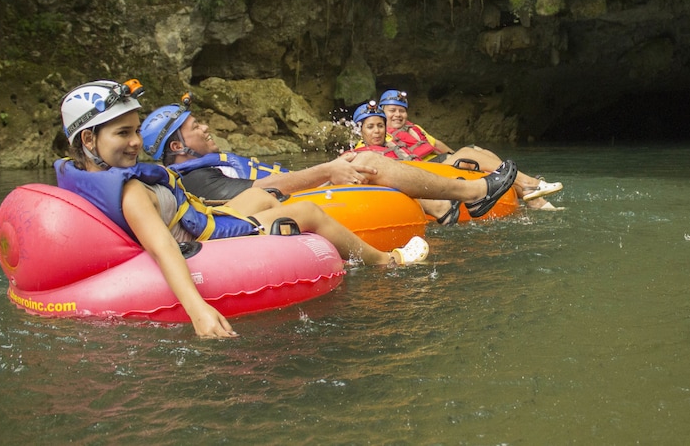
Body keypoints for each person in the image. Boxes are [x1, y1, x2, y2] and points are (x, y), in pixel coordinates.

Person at [56, 80, 430, 339]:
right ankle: (386, 261)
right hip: (207, 236)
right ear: (88, 138)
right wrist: (199, 311)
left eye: (136, 131)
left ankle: (292, 233)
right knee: (309, 213)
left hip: (199, 216)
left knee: (262, 198)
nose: (135, 142)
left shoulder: (84, 177)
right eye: (122, 133)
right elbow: (163, 247)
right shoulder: (132, 192)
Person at [139, 96, 519, 226]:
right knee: (367, 159)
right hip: (291, 206)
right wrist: (327, 170)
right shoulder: (195, 178)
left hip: (302, 191)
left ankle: (439, 205)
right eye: (195, 127)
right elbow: (259, 192)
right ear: (178, 146)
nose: (205, 127)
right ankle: (472, 193)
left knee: (361, 157)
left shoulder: (210, 163)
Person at [378, 89, 563, 207]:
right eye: (392, 110)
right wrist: (461, 157)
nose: (398, 115)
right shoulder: (377, 134)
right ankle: (529, 183)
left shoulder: (413, 128)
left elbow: (438, 145)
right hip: (421, 173)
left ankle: (532, 197)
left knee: (482, 152)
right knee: (467, 154)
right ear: (382, 112)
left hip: (437, 164)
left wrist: (455, 156)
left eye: (402, 110)